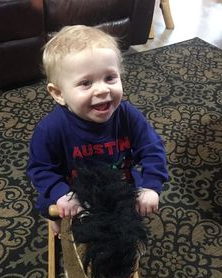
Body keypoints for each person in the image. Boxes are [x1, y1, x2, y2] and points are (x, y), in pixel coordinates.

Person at [27, 25, 168, 235]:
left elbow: (152, 149)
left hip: (120, 184)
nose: (102, 90)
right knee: (49, 202)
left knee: (133, 201)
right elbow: (40, 168)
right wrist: (61, 194)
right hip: (73, 192)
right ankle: (57, 220)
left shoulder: (128, 115)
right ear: (58, 94)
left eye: (110, 78)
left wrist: (151, 185)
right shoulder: (50, 130)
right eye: (86, 83)